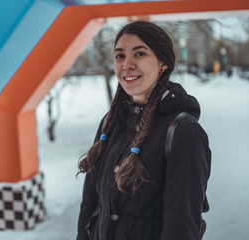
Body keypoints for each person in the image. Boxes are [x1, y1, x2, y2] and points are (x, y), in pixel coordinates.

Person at [77, 21, 211, 240]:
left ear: (163, 64)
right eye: (120, 55)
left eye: (139, 54)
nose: (127, 64)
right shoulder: (109, 123)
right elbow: (90, 203)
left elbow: (182, 227)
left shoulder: (183, 132)